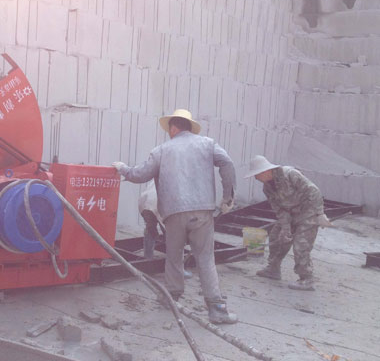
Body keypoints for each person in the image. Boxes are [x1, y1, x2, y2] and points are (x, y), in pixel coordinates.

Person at [112, 109, 237, 324]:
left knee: (173, 255)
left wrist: (123, 168)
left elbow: (140, 174)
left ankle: (171, 298)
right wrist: (228, 197)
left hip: (173, 213)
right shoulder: (208, 144)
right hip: (202, 211)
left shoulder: (162, 150)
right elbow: (227, 163)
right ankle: (217, 309)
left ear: (173, 128)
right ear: (190, 127)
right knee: (205, 258)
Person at [245, 155, 331, 291]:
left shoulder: (290, 174)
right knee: (276, 237)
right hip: (290, 214)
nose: (256, 178)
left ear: (265, 171)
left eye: (256, 174)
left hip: (307, 211)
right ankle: (273, 269)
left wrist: (320, 213)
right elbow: (279, 209)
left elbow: (313, 191)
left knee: (301, 244)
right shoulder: (267, 188)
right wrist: (285, 228)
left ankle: (306, 278)